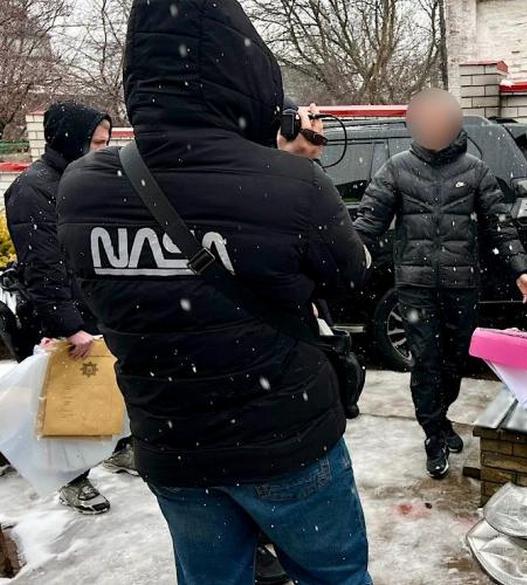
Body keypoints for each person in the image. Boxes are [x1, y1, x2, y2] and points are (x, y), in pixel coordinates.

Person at [56, 1, 372, 584]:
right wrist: (292, 174)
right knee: (334, 576)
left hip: (174, 444)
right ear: (247, 77)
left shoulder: (82, 186)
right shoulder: (294, 182)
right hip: (286, 439)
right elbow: (351, 281)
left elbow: (95, 293)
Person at [354, 89, 527, 479]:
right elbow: (367, 225)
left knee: (457, 359)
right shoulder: (396, 169)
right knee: (425, 360)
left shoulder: (475, 170)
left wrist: (519, 269)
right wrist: (347, 260)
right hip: (415, 286)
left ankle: (440, 419)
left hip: (462, 284)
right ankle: (433, 434)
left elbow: (499, 225)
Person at [3, 101, 136, 515]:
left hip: (95, 304)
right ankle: (72, 480)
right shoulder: (33, 188)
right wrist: (68, 325)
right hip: (57, 313)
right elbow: (42, 266)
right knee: (65, 402)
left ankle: (117, 448)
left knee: (106, 387)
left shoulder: (85, 178)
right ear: (70, 140)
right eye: (95, 142)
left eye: (106, 142)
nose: (103, 150)